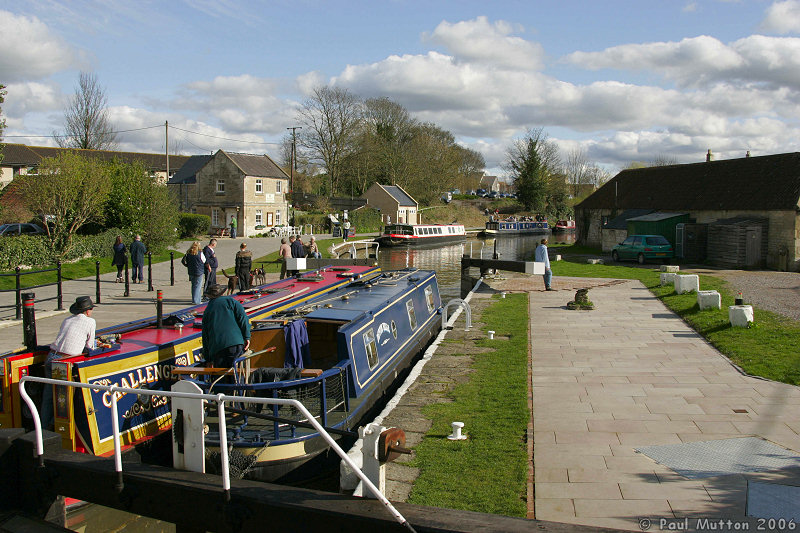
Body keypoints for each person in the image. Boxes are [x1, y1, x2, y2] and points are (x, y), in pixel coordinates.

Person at [42, 296, 97, 429]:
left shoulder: (67, 320)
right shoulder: (90, 322)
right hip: (64, 362)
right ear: (88, 311)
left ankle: (43, 428)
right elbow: (90, 347)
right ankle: (58, 427)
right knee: (65, 399)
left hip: (51, 357)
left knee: (48, 396)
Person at [201, 284, 250, 369]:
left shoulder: (207, 310)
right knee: (238, 373)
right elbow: (243, 319)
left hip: (217, 348)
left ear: (209, 296)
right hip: (236, 344)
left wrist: (208, 359)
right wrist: (247, 337)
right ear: (222, 293)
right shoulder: (231, 301)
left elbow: (205, 337)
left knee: (221, 376)